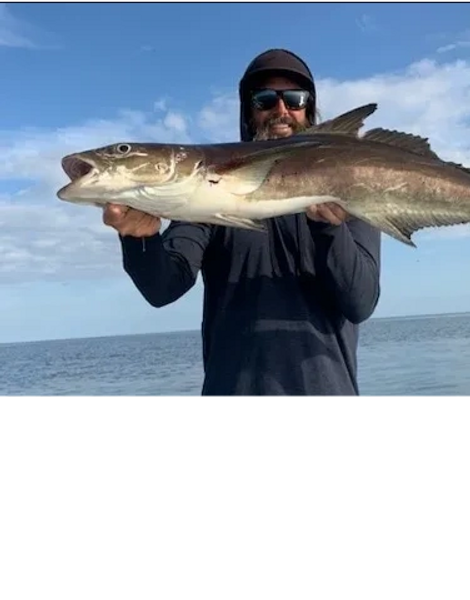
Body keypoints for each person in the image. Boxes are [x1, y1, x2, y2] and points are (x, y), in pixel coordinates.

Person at [103, 48, 382, 399]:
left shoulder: (349, 191)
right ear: (248, 113)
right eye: (265, 99)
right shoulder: (208, 196)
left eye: (295, 99)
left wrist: (329, 229)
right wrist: (140, 240)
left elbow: (360, 301)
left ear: (309, 108)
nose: (281, 110)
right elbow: (163, 288)